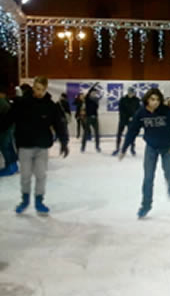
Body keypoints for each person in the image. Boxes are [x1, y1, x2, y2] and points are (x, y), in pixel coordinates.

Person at [0, 76, 69, 215]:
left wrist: (64, 142)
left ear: (45, 89)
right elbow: (8, 119)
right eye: (36, 89)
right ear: (33, 87)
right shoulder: (21, 103)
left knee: (41, 175)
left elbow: (59, 125)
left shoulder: (50, 106)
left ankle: (39, 201)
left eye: (42, 90)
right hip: (25, 146)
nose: (39, 92)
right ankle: (25, 200)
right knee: (25, 176)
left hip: (42, 147)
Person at [119, 88, 170, 219]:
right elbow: (132, 131)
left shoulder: (167, 112)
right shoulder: (141, 113)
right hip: (151, 148)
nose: (155, 102)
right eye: (152, 99)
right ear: (147, 100)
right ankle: (145, 205)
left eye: (158, 100)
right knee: (148, 178)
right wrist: (124, 149)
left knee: (169, 174)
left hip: (168, 148)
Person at [114, 87, 140, 156]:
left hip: (132, 120)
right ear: (128, 92)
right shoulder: (123, 99)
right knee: (119, 134)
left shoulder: (137, 100)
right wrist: (125, 117)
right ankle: (117, 148)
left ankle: (132, 148)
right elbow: (120, 110)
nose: (131, 94)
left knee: (131, 135)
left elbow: (138, 110)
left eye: (132, 93)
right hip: (123, 119)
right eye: (130, 92)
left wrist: (133, 117)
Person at [0, 90, 18, 177]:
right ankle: (13, 166)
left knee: (5, 146)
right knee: (9, 145)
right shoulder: (5, 100)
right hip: (8, 126)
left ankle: (10, 167)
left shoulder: (1, 101)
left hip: (5, 127)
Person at [82, 83, 102, 152]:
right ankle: (83, 147)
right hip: (88, 118)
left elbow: (100, 97)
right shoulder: (87, 99)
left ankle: (97, 146)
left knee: (97, 133)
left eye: (95, 93)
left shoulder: (96, 100)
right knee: (86, 133)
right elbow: (88, 93)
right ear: (91, 93)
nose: (94, 94)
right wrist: (94, 86)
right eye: (93, 92)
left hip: (95, 118)